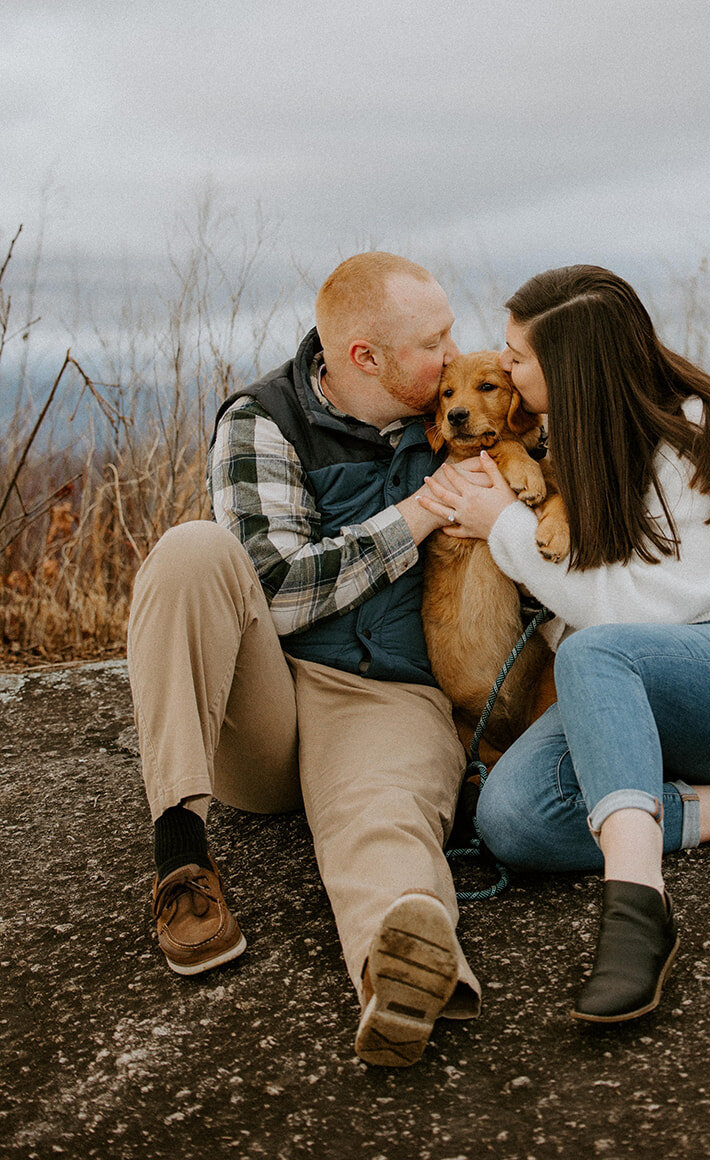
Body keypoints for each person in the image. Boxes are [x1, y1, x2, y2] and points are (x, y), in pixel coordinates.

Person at [418, 264, 710, 1025]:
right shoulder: (567, 440)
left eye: (516, 359)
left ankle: (637, 910)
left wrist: (505, 529)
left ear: (571, 367)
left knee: (598, 649)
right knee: (512, 820)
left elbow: (640, 614)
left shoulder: (697, 435)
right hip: (624, 692)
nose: (506, 373)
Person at [126, 251, 480, 1068]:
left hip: (389, 696)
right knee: (192, 552)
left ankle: (400, 967)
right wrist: (418, 513)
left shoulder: (460, 408)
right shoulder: (263, 418)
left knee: (382, 819)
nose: (454, 354)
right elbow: (277, 589)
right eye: (435, 341)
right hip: (270, 708)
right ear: (366, 357)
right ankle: (180, 853)